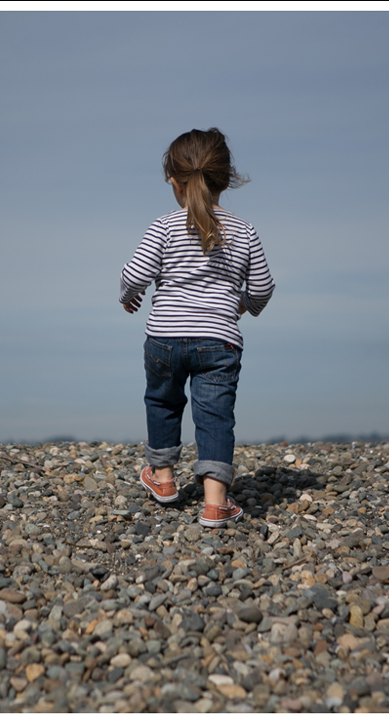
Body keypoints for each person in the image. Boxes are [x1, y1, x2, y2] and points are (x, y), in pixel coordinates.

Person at [119, 128, 275, 528]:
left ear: (174, 181)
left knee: (163, 402)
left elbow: (134, 273)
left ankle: (165, 479)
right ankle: (214, 504)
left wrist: (128, 295)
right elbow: (262, 288)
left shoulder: (164, 226)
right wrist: (243, 306)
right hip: (219, 341)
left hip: (164, 339)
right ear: (225, 178)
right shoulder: (244, 231)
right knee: (215, 415)